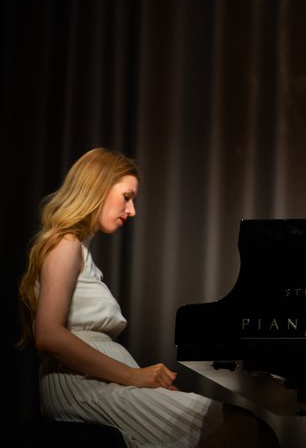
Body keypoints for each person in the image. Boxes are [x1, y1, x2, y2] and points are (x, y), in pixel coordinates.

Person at [16, 147, 280, 448]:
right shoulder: (66, 244)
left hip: (103, 382)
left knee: (247, 430)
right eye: (127, 197)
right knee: (245, 432)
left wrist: (143, 382)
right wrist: (132, 376)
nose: (132, 211)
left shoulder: (79, 251)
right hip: (84, 387)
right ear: (98, 187)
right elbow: (48, 336)